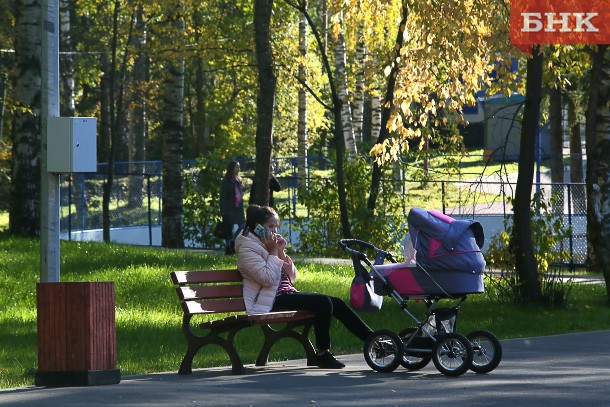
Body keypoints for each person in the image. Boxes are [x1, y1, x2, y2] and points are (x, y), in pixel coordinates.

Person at [234, 204, 373, 369]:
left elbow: (292, 277)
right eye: (270, 226)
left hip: (285, 294)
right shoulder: (247, 248)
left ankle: (374, 340)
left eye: (276, 227)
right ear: (257, 227)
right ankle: (322, 354)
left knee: (336, 303)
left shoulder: (269, 244)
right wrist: (272, 253)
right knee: (323, 303)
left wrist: (281, 253)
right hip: (268, 301)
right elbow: (267, 279)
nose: (274, 231)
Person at [220, 160, 246, 255]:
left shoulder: (238, 180)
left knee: (243, 225)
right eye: (237, 167)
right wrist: (223, 210)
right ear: (231, 168)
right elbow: (222, 196)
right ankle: (228, 247)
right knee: (228, 228)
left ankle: (232, 241)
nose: (239, 169)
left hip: (238, 208)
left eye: (239, 167)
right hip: (229, 208)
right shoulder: (226, 181)